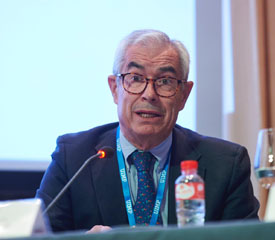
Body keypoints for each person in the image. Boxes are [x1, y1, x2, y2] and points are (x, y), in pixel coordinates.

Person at [36, 29, 259, 232]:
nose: (149, 94)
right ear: (115, 89)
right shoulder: (74, 157)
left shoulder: (226, 164)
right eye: (135, 78)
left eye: (165, 81)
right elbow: (37, 236)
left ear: (184, 95)